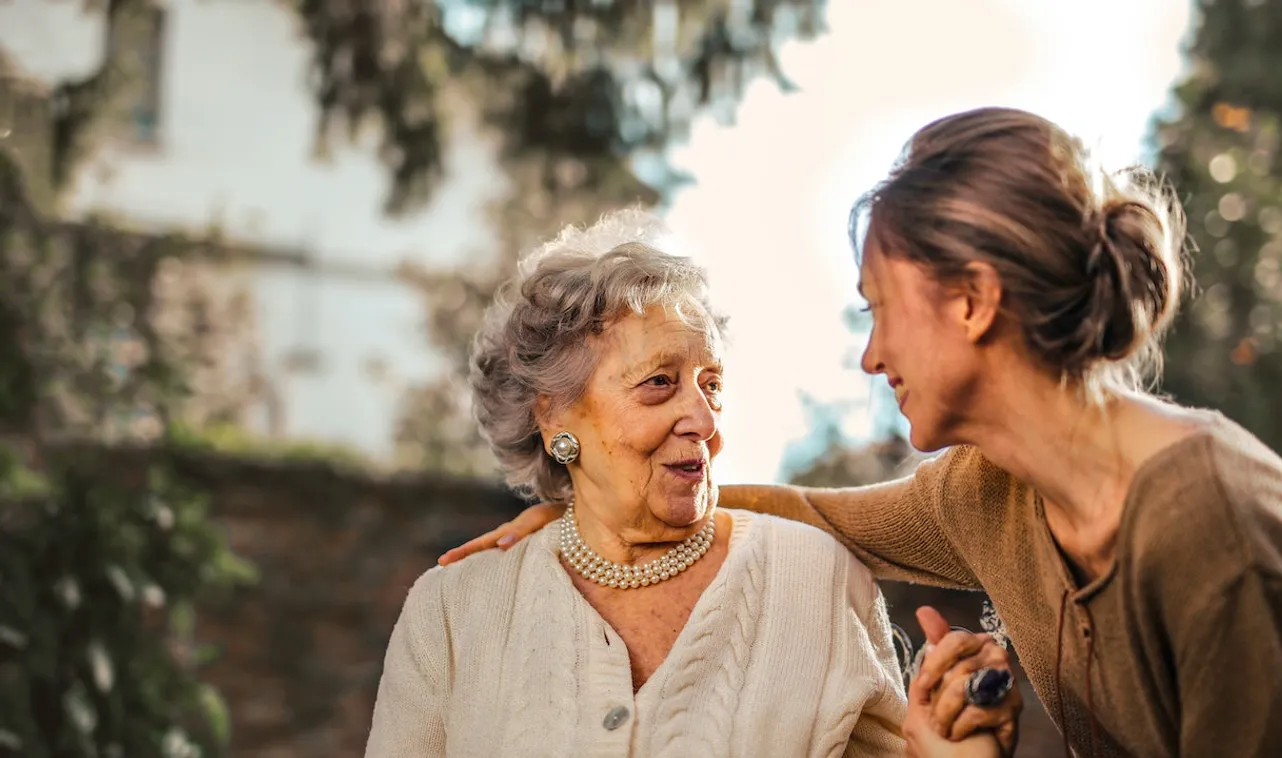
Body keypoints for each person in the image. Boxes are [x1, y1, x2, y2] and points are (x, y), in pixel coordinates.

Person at [438, 108, 1282, 758]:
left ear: (971, 300)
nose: (870, 357)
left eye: (879, 311)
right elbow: (812, 516)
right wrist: (596, 511)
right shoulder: (987, 491)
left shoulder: (1214, 531)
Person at [365, 209, 1016, 758]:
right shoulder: (453, 612)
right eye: (658, 384)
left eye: (711, 385)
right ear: (554, 413)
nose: (703, 421)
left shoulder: (814, 579)